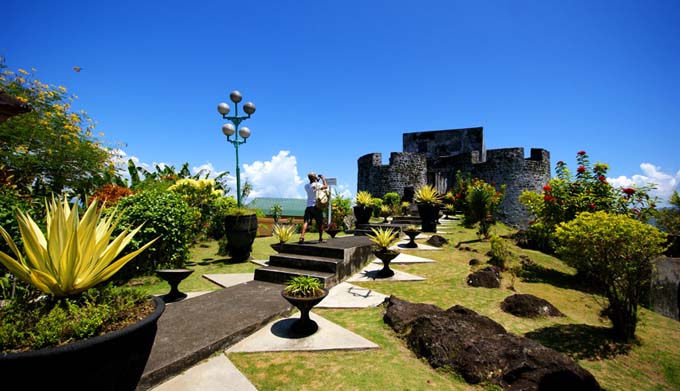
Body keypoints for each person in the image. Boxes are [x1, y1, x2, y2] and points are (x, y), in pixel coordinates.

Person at [299, 172, 328, 243]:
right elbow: (325, 186)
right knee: (320, 223)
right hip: (316, 207)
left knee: (306, 222)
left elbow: (313, 186)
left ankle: (302, 237)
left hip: (308, 207)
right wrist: (323, 178)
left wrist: (316, 180)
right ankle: (320, 238)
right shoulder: (318, 185)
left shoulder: (306, 186)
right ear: (315, 177)